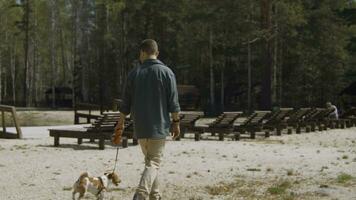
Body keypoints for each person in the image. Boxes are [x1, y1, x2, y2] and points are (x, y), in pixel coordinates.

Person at [112, 39, 181, 200]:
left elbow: (125, 104)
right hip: (159, 127)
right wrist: (176, 123)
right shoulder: (167, 73)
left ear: (142, 52)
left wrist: (120, 123)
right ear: (156, 53)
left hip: (141, 127)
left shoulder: (134, 74)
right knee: (154, 163)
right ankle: (141, 194)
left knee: (151, 162)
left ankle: (155, 196)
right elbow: (174, 103)